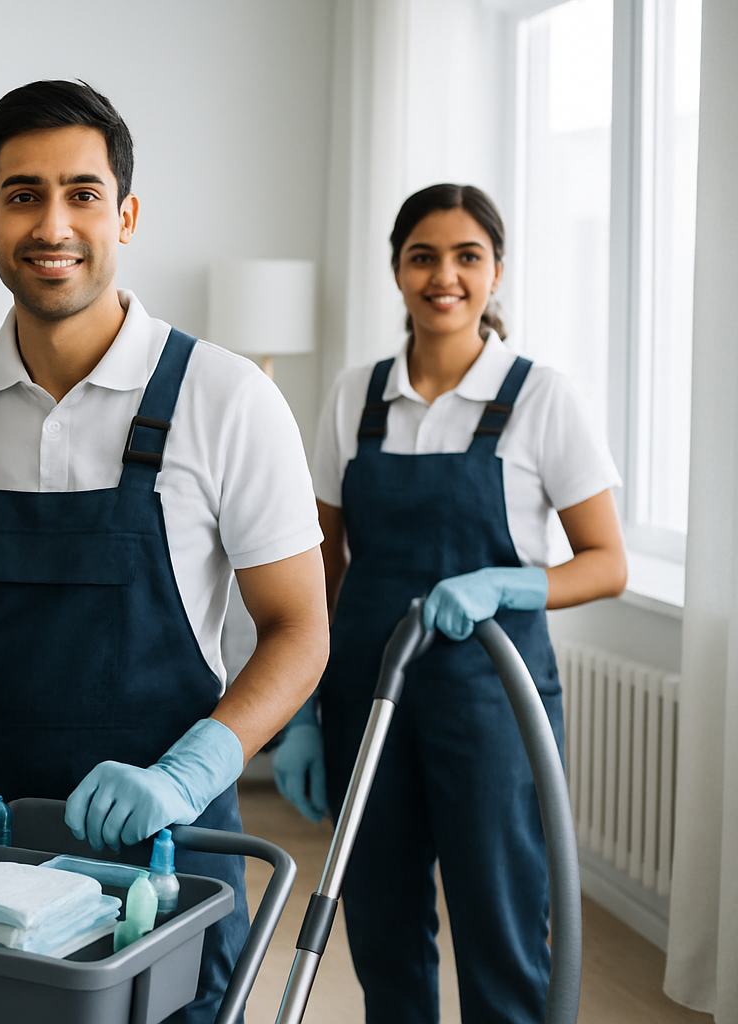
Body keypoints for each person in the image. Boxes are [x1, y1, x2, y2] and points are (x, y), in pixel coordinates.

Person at [0, 80, 330, 1024]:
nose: (53, 224)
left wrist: (189, 772)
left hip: (168, 858)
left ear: (127, 214)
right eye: (24, 196)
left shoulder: (226, 399)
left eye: (82, 193)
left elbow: (299, 629)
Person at [275, 183, 627, 1023]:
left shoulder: (541, 396)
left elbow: (607, 562)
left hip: (493, 707)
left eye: (468, 256)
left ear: (496, 271)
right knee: (382, 925)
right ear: (397, 270)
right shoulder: (355, 395)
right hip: (368, 696)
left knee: (500, 926)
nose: (445, 275)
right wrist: (299, 714)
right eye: (423, 255)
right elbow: (319, 568)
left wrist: (508, 584)